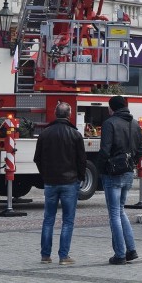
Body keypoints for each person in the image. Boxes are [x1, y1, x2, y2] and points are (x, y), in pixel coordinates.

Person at [33, 102, 87, 265]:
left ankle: (45, 255)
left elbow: (37, 158)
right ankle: (63, 256)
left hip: (50, 182)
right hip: (70, 182)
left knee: (48, 219)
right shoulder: (75, 134)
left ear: (55, 114)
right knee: (68, 220)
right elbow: (81, 160)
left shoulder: (45, 133)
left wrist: (45, 175)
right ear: (69, 115)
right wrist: (79, 177)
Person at [98, 95, 142, 264]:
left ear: (112, 108)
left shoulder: (109, 123)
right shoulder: (134, 124)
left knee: (114, 215)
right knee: (120, 211)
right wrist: (131, 162)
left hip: (113, 174)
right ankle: (131, 250)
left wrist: (101, 168)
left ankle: (120, 254)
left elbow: (104, 150)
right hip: (128, 173)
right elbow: (141, 149)